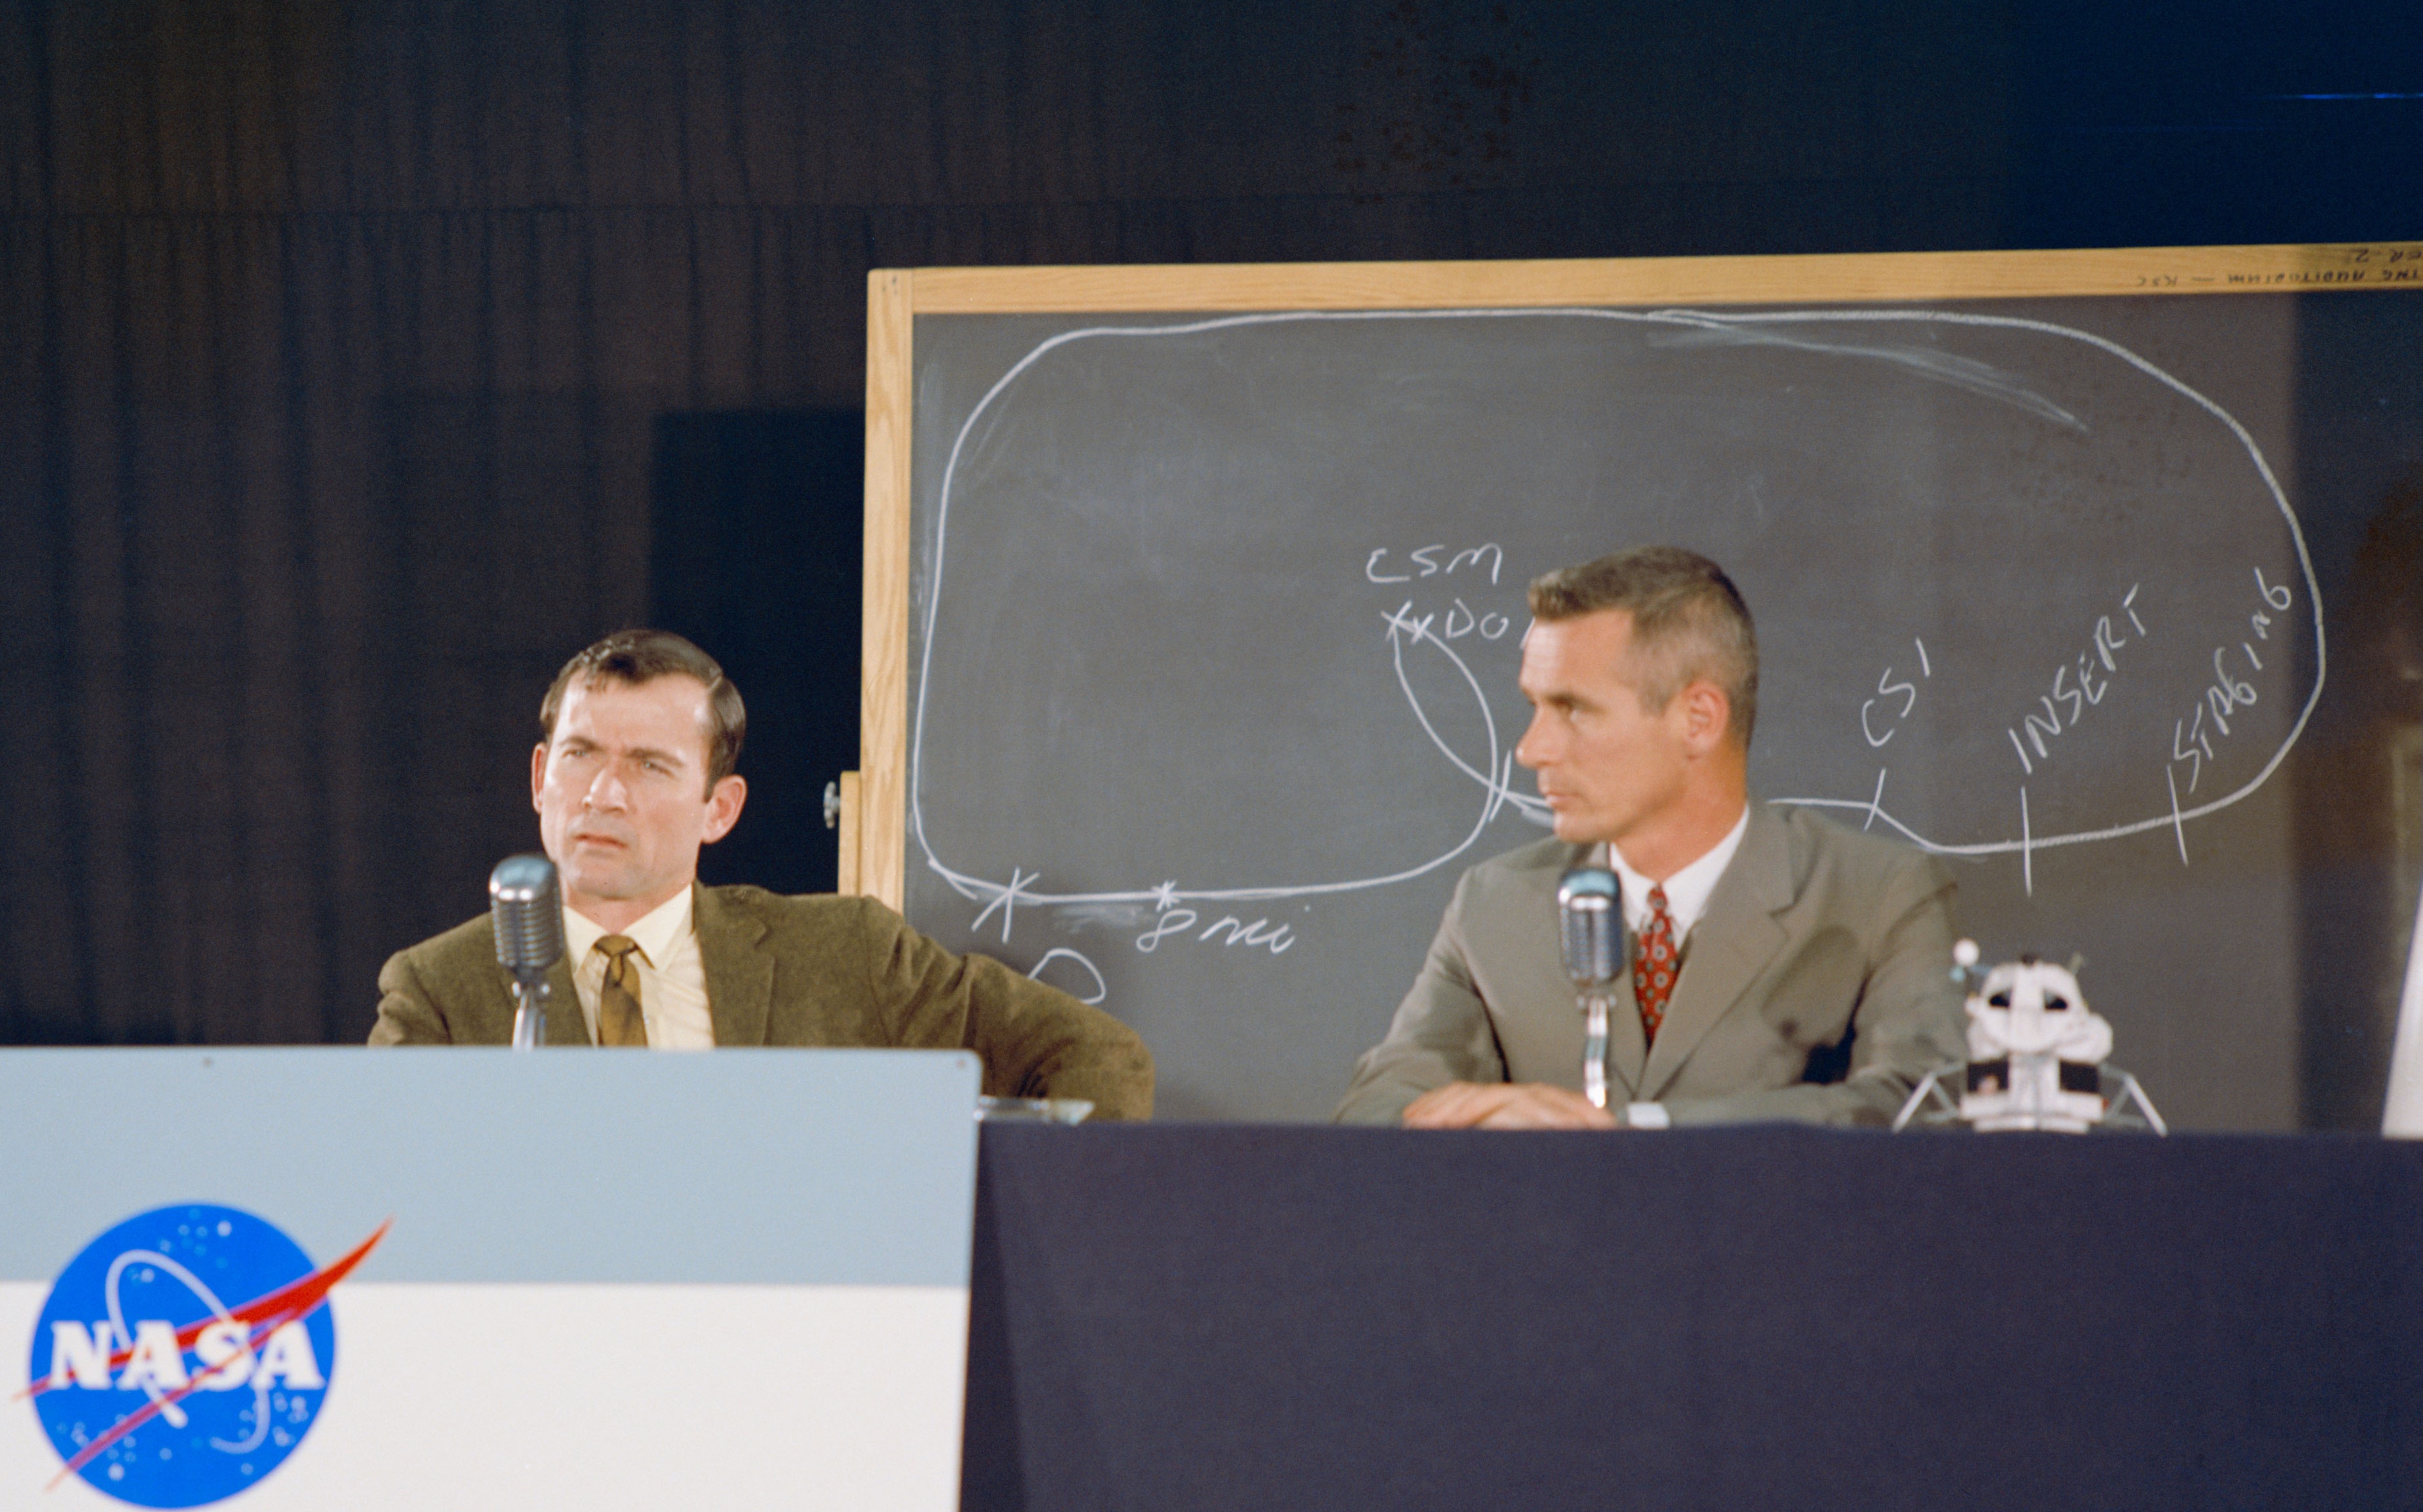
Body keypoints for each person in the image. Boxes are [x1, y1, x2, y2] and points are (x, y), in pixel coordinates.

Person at [371, 629, 1153, 1118]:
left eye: (649, 765)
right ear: (541, 776)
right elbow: (381, 1188)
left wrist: (999, 1226)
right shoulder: (442, 988)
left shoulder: (847, 954)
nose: (603, 794)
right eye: (580, 755)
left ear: (720, 807)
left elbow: (1100, 1059)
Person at [1337, 546, 1961, 1129]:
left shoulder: (1877, 894)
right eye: (1533, 706)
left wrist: (1640, 1130)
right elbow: (1379, 1101)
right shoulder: (1496, 903)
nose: (1530, 749)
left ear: (1698, 720)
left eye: (1573, 709)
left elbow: (1917, 1103)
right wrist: (1481, 1111)